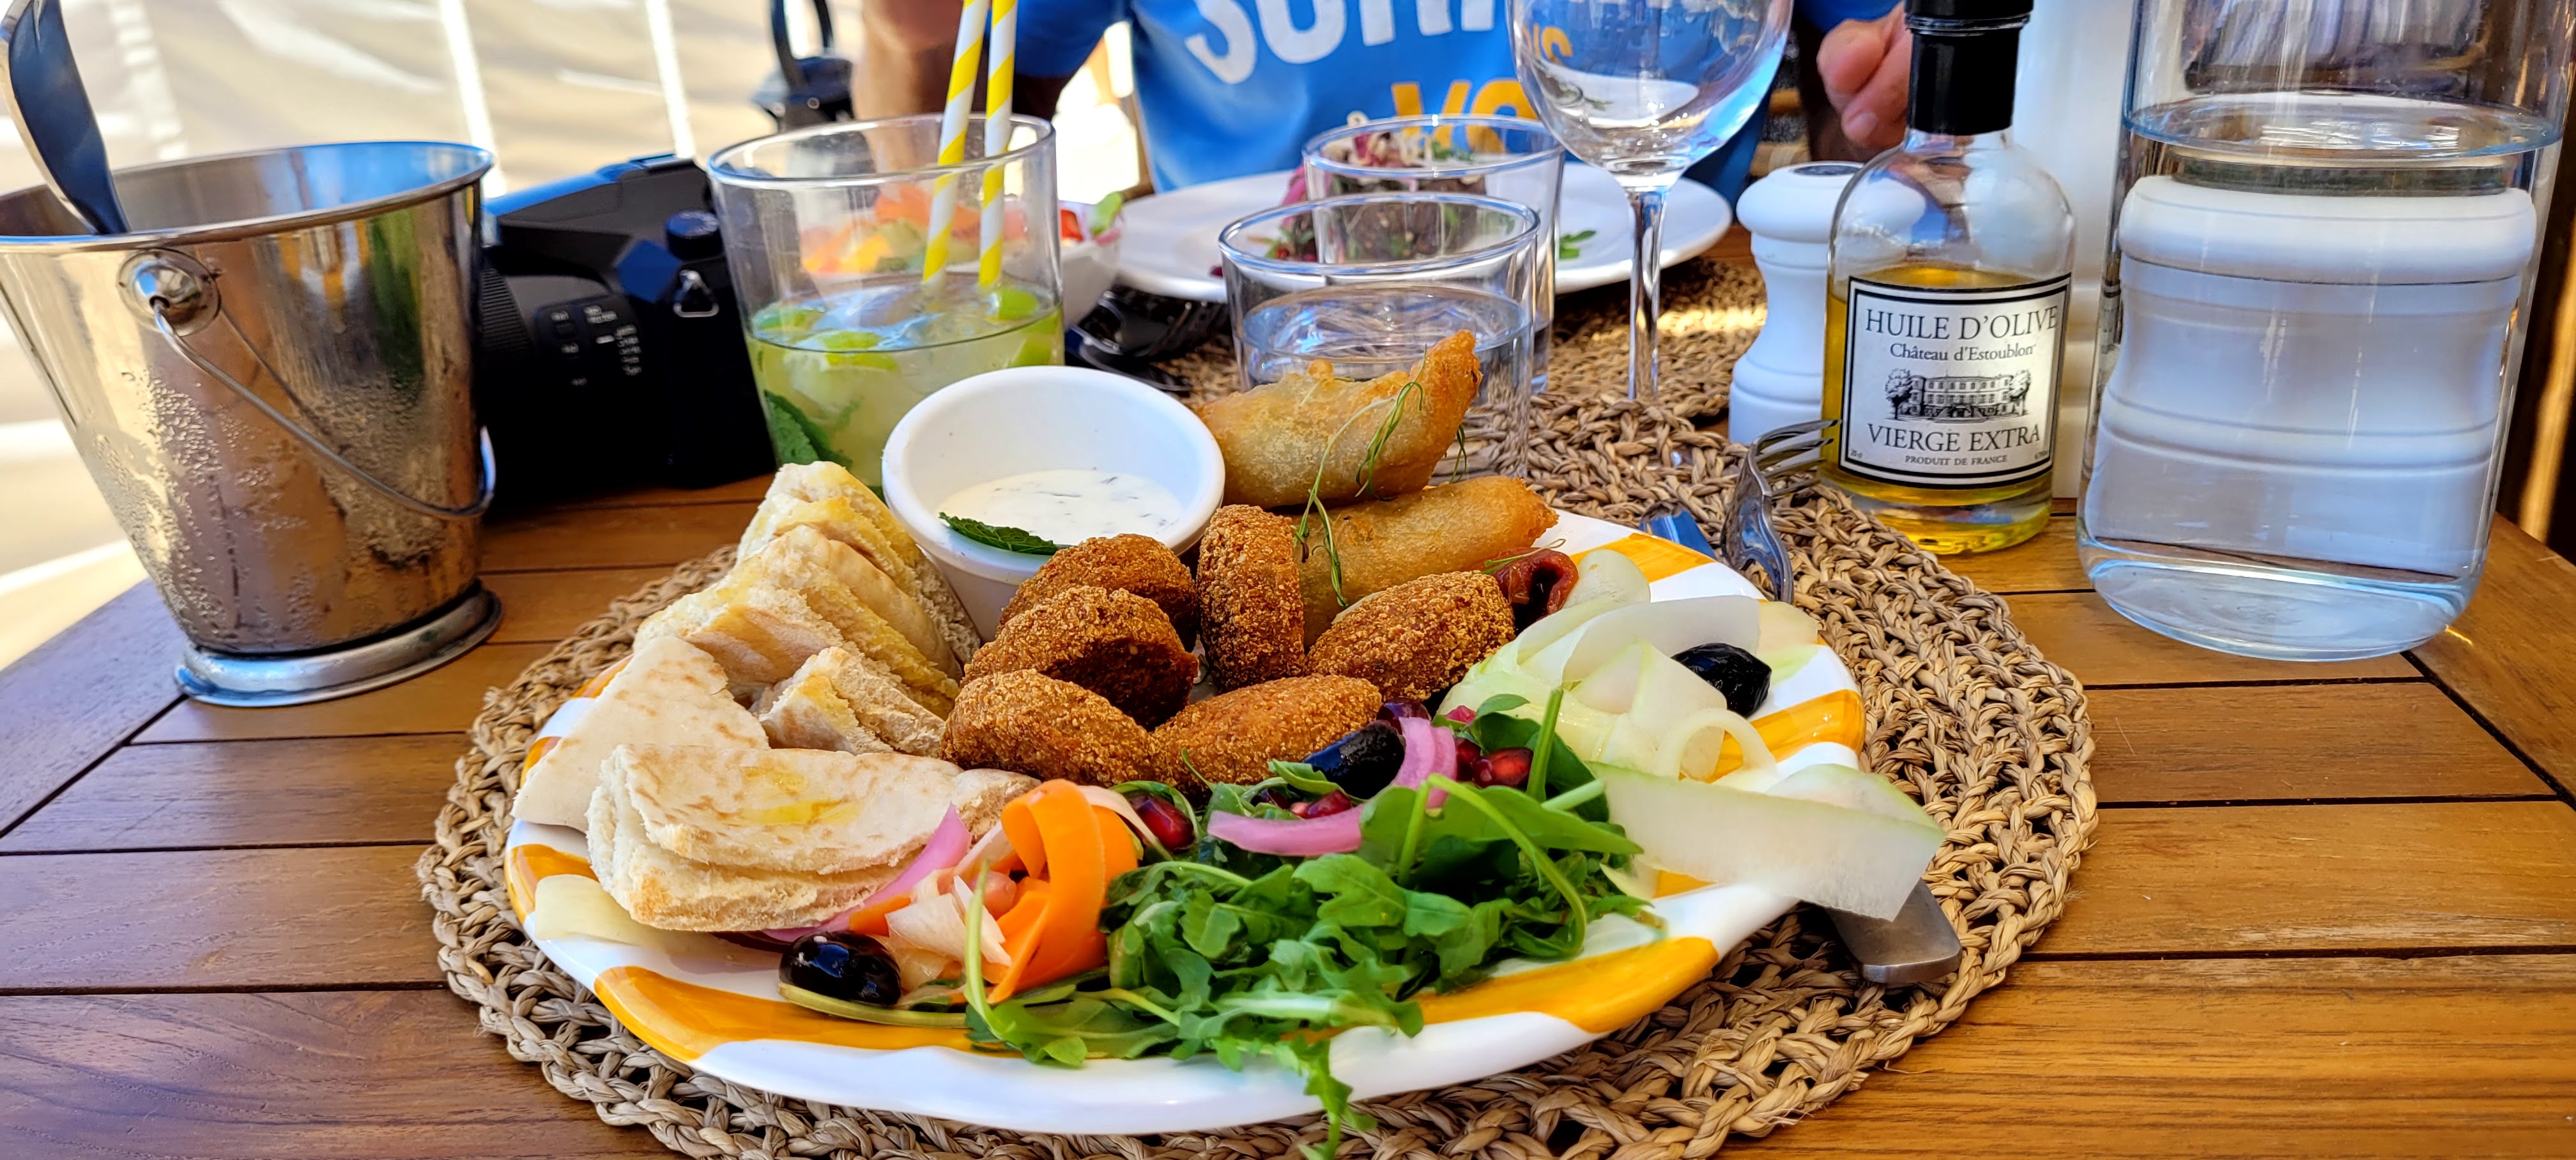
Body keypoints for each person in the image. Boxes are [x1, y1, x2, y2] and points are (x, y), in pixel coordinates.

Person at [857, 0, 1913, 195]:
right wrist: (903, 39)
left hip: (1672, 332)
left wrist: (1905, 103)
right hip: (1247, 347)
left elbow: (1872, 104)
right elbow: (956, 169)